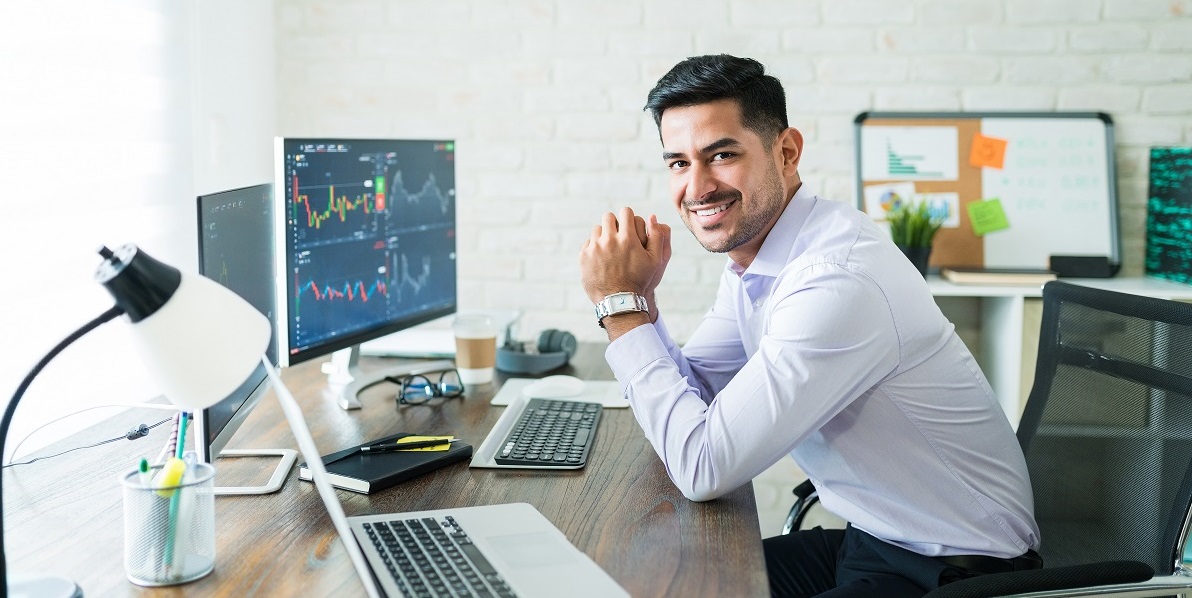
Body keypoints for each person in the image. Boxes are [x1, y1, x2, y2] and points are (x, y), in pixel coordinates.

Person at [577, 54, 1041, 597]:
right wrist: (644, 302)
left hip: (956, 572)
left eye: (721, 155)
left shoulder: (834, 283)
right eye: (678, 163)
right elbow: (696, 393)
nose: (697, 187)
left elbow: (702, 466)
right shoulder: (762, 258)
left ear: (787, 151)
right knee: (659, 582)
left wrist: (620, 304)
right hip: (874, 541)